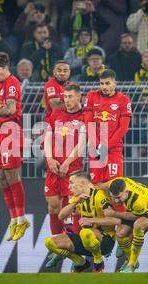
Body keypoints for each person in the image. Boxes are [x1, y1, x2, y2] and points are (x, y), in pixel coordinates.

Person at [0, 52, 29, 241]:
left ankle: (22, 219)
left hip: (11, 130)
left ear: (6, 68)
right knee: (2, 176)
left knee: (12, 174)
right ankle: (13, 220)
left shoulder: (12, 83)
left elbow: (10, 109)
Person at [43, 84, 86, 268]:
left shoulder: (84, 117)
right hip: (54, 169)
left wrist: (67, 162)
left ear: (79, 97)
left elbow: (83, 144)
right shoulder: (56, 114)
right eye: (64, 96)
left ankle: (71, 247)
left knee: (71, 211)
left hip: (73, 171)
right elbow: (47, 138)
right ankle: (57, 248)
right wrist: (50, 158)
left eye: (70, 96)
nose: (66, 100)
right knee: (53, 208)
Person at [44, 172, 119, 273]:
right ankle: (80, 262)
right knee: (50, 242)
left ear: (82, 183)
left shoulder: (99, 196)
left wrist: (92, 220)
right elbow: (61, 216)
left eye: (71, 183)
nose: (69, 187)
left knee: (85, 232)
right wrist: (75, 202)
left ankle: (98, 261)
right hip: (86, 240)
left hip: (105, 241)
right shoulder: (78, 198)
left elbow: (116, 220)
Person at [103, 176, 148, 272]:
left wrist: (113, 213)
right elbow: (106, 185)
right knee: (120, 234)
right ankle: (131, 260)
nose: (116, 201)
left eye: (118, 197)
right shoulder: (118, 183)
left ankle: (131, 265)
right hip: (138, 208)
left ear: (126, 192)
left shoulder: (137, 201)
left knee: (138, 226)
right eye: (113, 197)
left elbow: (133, 217)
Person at [84, 69, 131, 185]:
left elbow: (123, 128)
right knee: (96, 184)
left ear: (115, 83)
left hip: (114, 149)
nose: (104, 87)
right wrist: (97, 144)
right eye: (102, 83)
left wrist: (105, 147)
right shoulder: (91, 96)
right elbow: (88, 123)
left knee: (115, 185)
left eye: (107, 83)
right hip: (95, 148)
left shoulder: (124, 100)